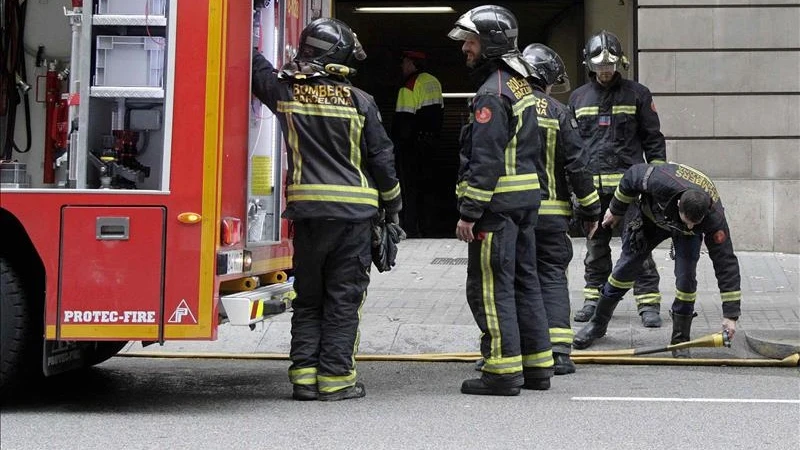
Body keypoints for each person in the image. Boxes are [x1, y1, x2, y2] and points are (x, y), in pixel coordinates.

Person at [252, 18, 402, 401]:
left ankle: (303, 378)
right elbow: (382, 159)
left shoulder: (285, 92)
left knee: (309, 297)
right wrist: (393, 206)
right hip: (355, 218)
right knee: (344, 298)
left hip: (308, 216)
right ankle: (336, 379)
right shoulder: (360, 100)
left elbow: (256, 69)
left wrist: (248, 28)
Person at [448, 5, 553, 396]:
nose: (466, 49)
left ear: (490, 42)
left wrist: (469, 212)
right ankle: (537, 367)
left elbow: (486, 158)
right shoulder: (521, 84)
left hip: (498, 209)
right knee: (526, 284)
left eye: (471, 41)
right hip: (525, 204)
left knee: (490, 288)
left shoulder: (492, 91)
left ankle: (502, 371)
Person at [573, 162, 741, 355]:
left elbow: (725, 263)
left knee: (686, 280)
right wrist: (616, 210)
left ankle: (680, 340)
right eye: (688, 221)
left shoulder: (714, 218)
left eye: (696, 224)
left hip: (684, 235)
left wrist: (731, 315)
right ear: (678, 204)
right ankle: (597, 324)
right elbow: (631, 176)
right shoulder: (659, 181)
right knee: (624, 269)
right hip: (649, 219)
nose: (690, 227)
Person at [568, 30, 667, 328]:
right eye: (600, 67)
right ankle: (593, 299)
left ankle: (648, 302)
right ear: (590, 65)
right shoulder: (578, 98)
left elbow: (654, 141)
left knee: (638, 245)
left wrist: (656, 183)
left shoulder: (638, 94)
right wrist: (575, 189)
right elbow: (572, 148)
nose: (605, 72)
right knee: (596, 248)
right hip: (594, 193)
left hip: (631, 192)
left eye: (610, 67)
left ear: (620, 64)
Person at [521, 43, 601, 375]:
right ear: (546, 79)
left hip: (515, 213)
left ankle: (522, 350)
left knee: (518, 279)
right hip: (553, 214)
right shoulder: (559, 111)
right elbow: (578, 166)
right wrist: (591, 210)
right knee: (552, 277)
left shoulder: (507, 105)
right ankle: (559, 352)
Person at [393, 50, 444, 237]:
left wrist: (397, 147)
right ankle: (429, 227)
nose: (402, 66)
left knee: (409, 188)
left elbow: (403, 121)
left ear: (413, 64)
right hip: (431, 144)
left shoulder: (409, 85)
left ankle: (411, 228)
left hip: (412, 147)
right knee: (428, 188)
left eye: (405, 62)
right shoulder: (434, 82)